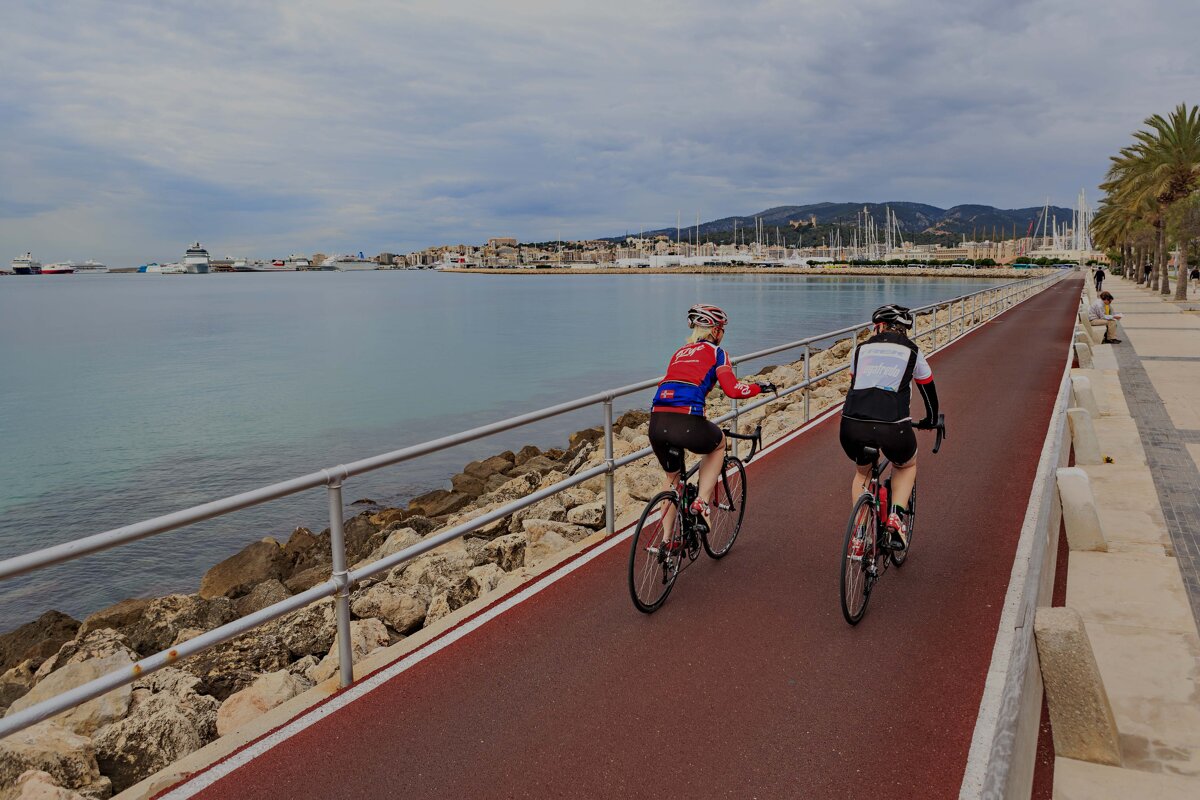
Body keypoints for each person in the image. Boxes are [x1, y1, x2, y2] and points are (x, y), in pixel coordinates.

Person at [649, 304, 775, 537]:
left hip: (656, 422)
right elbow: (733, 390)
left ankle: (667, 541)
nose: (723, 334)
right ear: (716, 331)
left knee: (672, 479)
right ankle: (702, 502)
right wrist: (760, 387)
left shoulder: (679, 352)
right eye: (722, 330)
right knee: (718, 444)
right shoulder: (718, 353)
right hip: (685, 421)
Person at [839, 304, 940, 551]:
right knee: (906, 465)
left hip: (852, 424)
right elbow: (928, 391)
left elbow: (856, 384)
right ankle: (896, 516)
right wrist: (931, 419)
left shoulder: (860, 350)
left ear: (879, 326)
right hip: (893, 426)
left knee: (862, 473)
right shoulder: (913, 352)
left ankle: (860, 534)